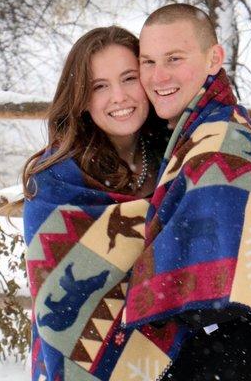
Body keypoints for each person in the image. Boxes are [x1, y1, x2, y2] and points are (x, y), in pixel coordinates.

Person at [122, 4, 251, 380]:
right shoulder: (203, 128)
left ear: (214, 57)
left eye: (174, 58)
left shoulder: (221, 143)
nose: (158, 75)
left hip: (223, 354)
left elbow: (215, 297)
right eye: (147, 61)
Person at [21, 27, 174, 381]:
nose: (119, 97)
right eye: (99, 86)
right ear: (81, 99)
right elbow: (57, 300)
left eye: (129, 78)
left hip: (178, 356)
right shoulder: (56, 181)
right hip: (83, 355)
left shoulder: (175, 157)